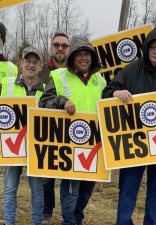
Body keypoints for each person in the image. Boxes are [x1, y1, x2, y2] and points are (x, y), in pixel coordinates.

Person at [102, 27, 156, 225]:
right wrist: (117, 93)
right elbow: (107, 91)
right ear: (146, 48)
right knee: (128, 188)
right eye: (152, 47)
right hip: (134, 143)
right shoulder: (131, 70)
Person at [39, 35, 106, 225]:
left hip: (93, 145)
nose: (84, 58)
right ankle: (69, 222)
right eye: (79, 54)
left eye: (87, 54)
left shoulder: (100, 81)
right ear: (73, 57)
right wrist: (62, 101)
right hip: (68, 145)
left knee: (87, 189)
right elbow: (43, 103)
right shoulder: (58, 76)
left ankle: (77, 218)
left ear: (92, 57)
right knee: (70, 189)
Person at [1, 47, 45, 225]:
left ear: (40, 67)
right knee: (10, 188)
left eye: (35, 62)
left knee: (37, 189)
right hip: (12, 146)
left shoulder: (46, 89)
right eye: (28, 61)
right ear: (21, 63)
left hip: (36, 148)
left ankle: (37, 222)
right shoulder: (7, 84)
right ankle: (10, 222)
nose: (31, 65)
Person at [40, 32, 70, 225]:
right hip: (46, 131)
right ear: (51, 48)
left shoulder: (74, 71)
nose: (60, 48)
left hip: (70, 133)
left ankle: (73, 214)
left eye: (64, 46)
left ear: (69, 49)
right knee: (47, 178)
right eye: (56, 45)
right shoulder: (41, 71)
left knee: (70, 178)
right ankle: (47, 212)